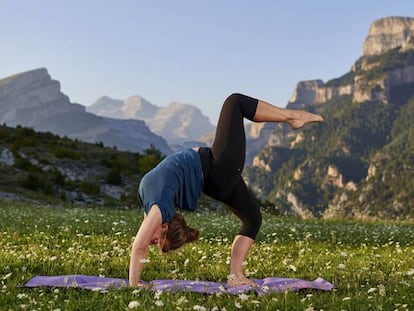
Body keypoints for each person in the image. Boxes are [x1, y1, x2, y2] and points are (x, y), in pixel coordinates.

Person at [129, 93, 324, 287]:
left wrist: (134, 283)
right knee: (235, 102)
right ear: (163, 226)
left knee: (253, 219)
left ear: (163, 227)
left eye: (156, 242)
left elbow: (140, 246)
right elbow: (140, 249)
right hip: (218, 170)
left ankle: (235, 276)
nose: (150, 243)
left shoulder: (153, 208)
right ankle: (292, 116)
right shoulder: (158, 210)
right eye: (157, 242)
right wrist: (134, 284)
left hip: (215, 179)